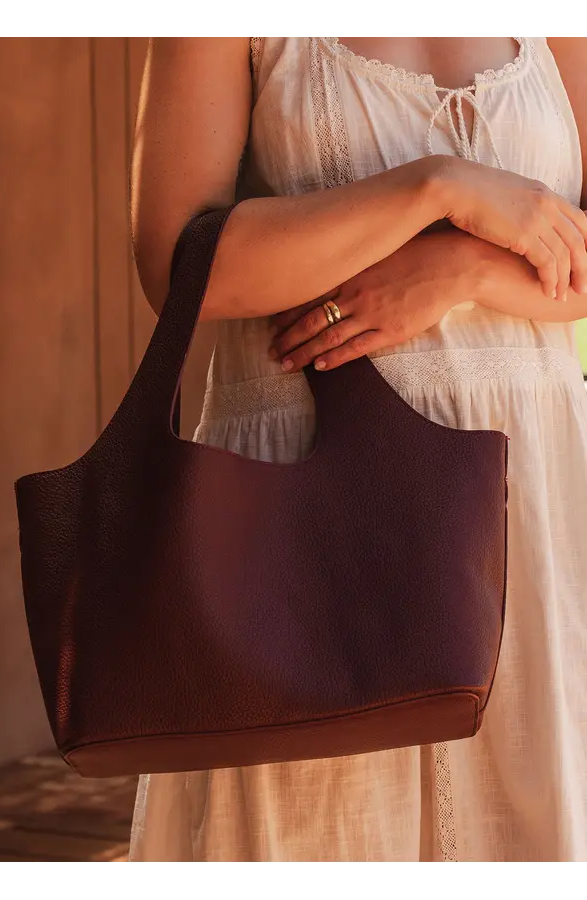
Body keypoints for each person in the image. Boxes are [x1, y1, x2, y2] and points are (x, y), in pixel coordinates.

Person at [127, 33, 587, 863]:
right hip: (310, 506)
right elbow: (178, 263)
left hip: (532, 508)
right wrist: (434, 188)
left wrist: (462, 267)